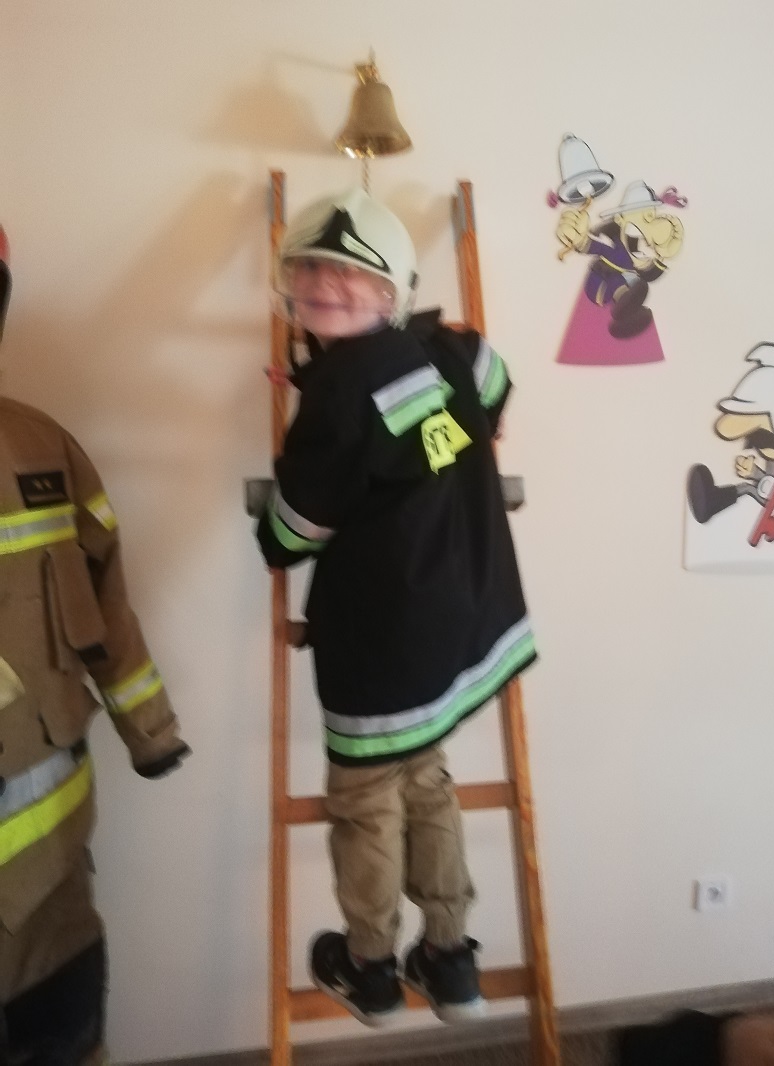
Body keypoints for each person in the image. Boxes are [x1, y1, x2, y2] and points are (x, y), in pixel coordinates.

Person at [256, 187, 536, 1028]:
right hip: (463, 620)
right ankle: (451, 960)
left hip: (379, 641)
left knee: (366, 804)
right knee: (427, 780)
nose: (324, 284)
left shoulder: (336, 399)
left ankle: (372, 968)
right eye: (311, 269)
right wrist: (460, 435)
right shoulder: (449, 349)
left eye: (350, 274)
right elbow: (494, 384)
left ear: (391, 290)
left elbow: (290, 536)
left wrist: (306, 432)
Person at [0, 226, 190, 1064]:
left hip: (52, 883)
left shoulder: (44, 448)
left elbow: (106, 599)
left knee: (66, 1040)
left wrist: (151, 731)